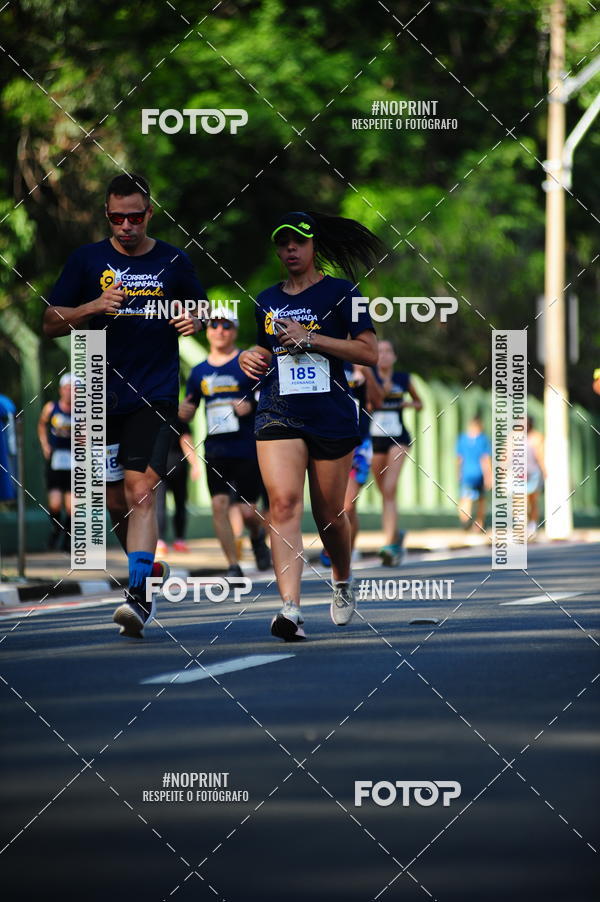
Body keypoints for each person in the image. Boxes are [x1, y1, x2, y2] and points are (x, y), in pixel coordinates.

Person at [43, 172, 207, 638]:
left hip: (154, 394)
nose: (127, 226)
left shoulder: (173, 258)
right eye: (118, 218)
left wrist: (193, 318)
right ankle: (146, 571)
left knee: (141, 491)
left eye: (136, 217)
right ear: (108, 216)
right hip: (99, 390)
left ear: (149, 213)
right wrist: (92, 307)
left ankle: (137, 597)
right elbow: (50, 322)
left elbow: (202, 307)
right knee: (115, 501)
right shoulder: (86, 260)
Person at [239, 210, 382, 641]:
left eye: (298, 243)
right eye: (283, 245)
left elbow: (369, 353)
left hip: (331, 414)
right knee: (282, 504)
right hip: (278, 410)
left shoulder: (345, 292)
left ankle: (341, 578)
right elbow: (264, 350)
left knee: (329, 517)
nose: (290, 251)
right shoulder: (265, 299)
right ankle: (290, 608)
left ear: (313, 245)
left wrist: (312, 338)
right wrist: (249, 356)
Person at [179, 312, 271, 575]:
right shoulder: (199, 371)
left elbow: (268, 395)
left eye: (226, 326)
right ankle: (233, 565)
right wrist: (183, 412)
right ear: (206, 331)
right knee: (219, 505)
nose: (219, 330)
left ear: (234, 330)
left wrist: (250, 405)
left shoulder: (246, 362)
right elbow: (190, 407)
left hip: (246, 446)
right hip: (216, 449)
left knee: (247, 512)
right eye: (214, 325)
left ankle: (257, 536)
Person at [371, 340, 423, 566]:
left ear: (394, 356)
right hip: (373, 438)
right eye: (379, 352)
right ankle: (396, 534)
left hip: (398, 437)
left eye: (387, 351)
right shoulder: (368, 376)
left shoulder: (403, 379)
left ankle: (390, 544)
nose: (383, 355)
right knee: (384, 491)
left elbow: (419, 403)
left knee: (390, 488)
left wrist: (406, 405)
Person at [37, 373, 74, 552]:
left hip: (75, 462)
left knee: (71, 506)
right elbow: (42, 425)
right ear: (61, 390)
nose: (70, 392)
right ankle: (56, 530)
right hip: (56, 460)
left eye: (74, 389)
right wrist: (45, 444)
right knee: (55, 503)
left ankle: (68, 541)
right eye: (67, 388)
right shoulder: (51, 408)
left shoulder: (82, 412)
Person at [155, 417, 202, 555]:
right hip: (176, 467)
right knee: (179, 504)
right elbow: (185, 441)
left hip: (161, 467)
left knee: (160, 505)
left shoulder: (154, 416)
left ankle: (161, 542)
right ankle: (179, 540)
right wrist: (195, 464)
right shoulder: (179, 418)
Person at [456, 414, 492, 531]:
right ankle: (479, 524)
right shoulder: (483, 439)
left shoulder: (462, 439)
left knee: (465, 498)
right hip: (479, 474)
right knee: (481, 499)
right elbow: (485, 459)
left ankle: (464, 520)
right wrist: (489, 476)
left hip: (466, 473)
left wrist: (458, 472)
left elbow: (459, 459)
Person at [526, 415, 545, 539]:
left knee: (533, 500)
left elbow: (541, 456)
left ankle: (532, 525)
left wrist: (544, 471)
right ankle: (521, 525)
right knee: (520, 500)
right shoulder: (513, 437)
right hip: (519, 475)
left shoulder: (537, 438)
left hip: (534, 474)